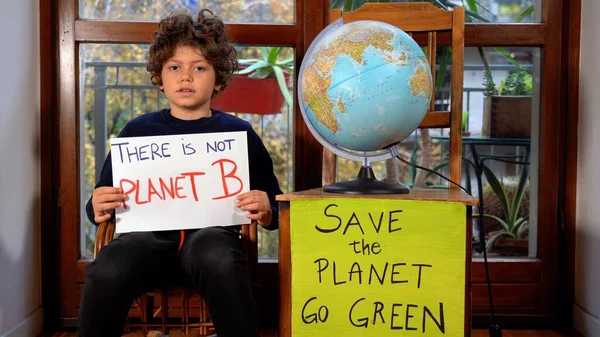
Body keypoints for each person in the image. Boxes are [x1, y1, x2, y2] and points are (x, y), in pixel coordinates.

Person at [77, 8, 282, 337]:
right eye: (175, 67)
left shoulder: (239, 134)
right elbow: (100, 201)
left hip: (211, 239)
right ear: (160, 75)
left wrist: (267, 211)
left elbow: (274, 204)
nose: (186, 77)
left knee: (219, 257)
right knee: (106, 269)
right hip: (145, 241)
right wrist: (97, 204)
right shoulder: (136, 131)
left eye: (199, 67)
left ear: (218, 76)